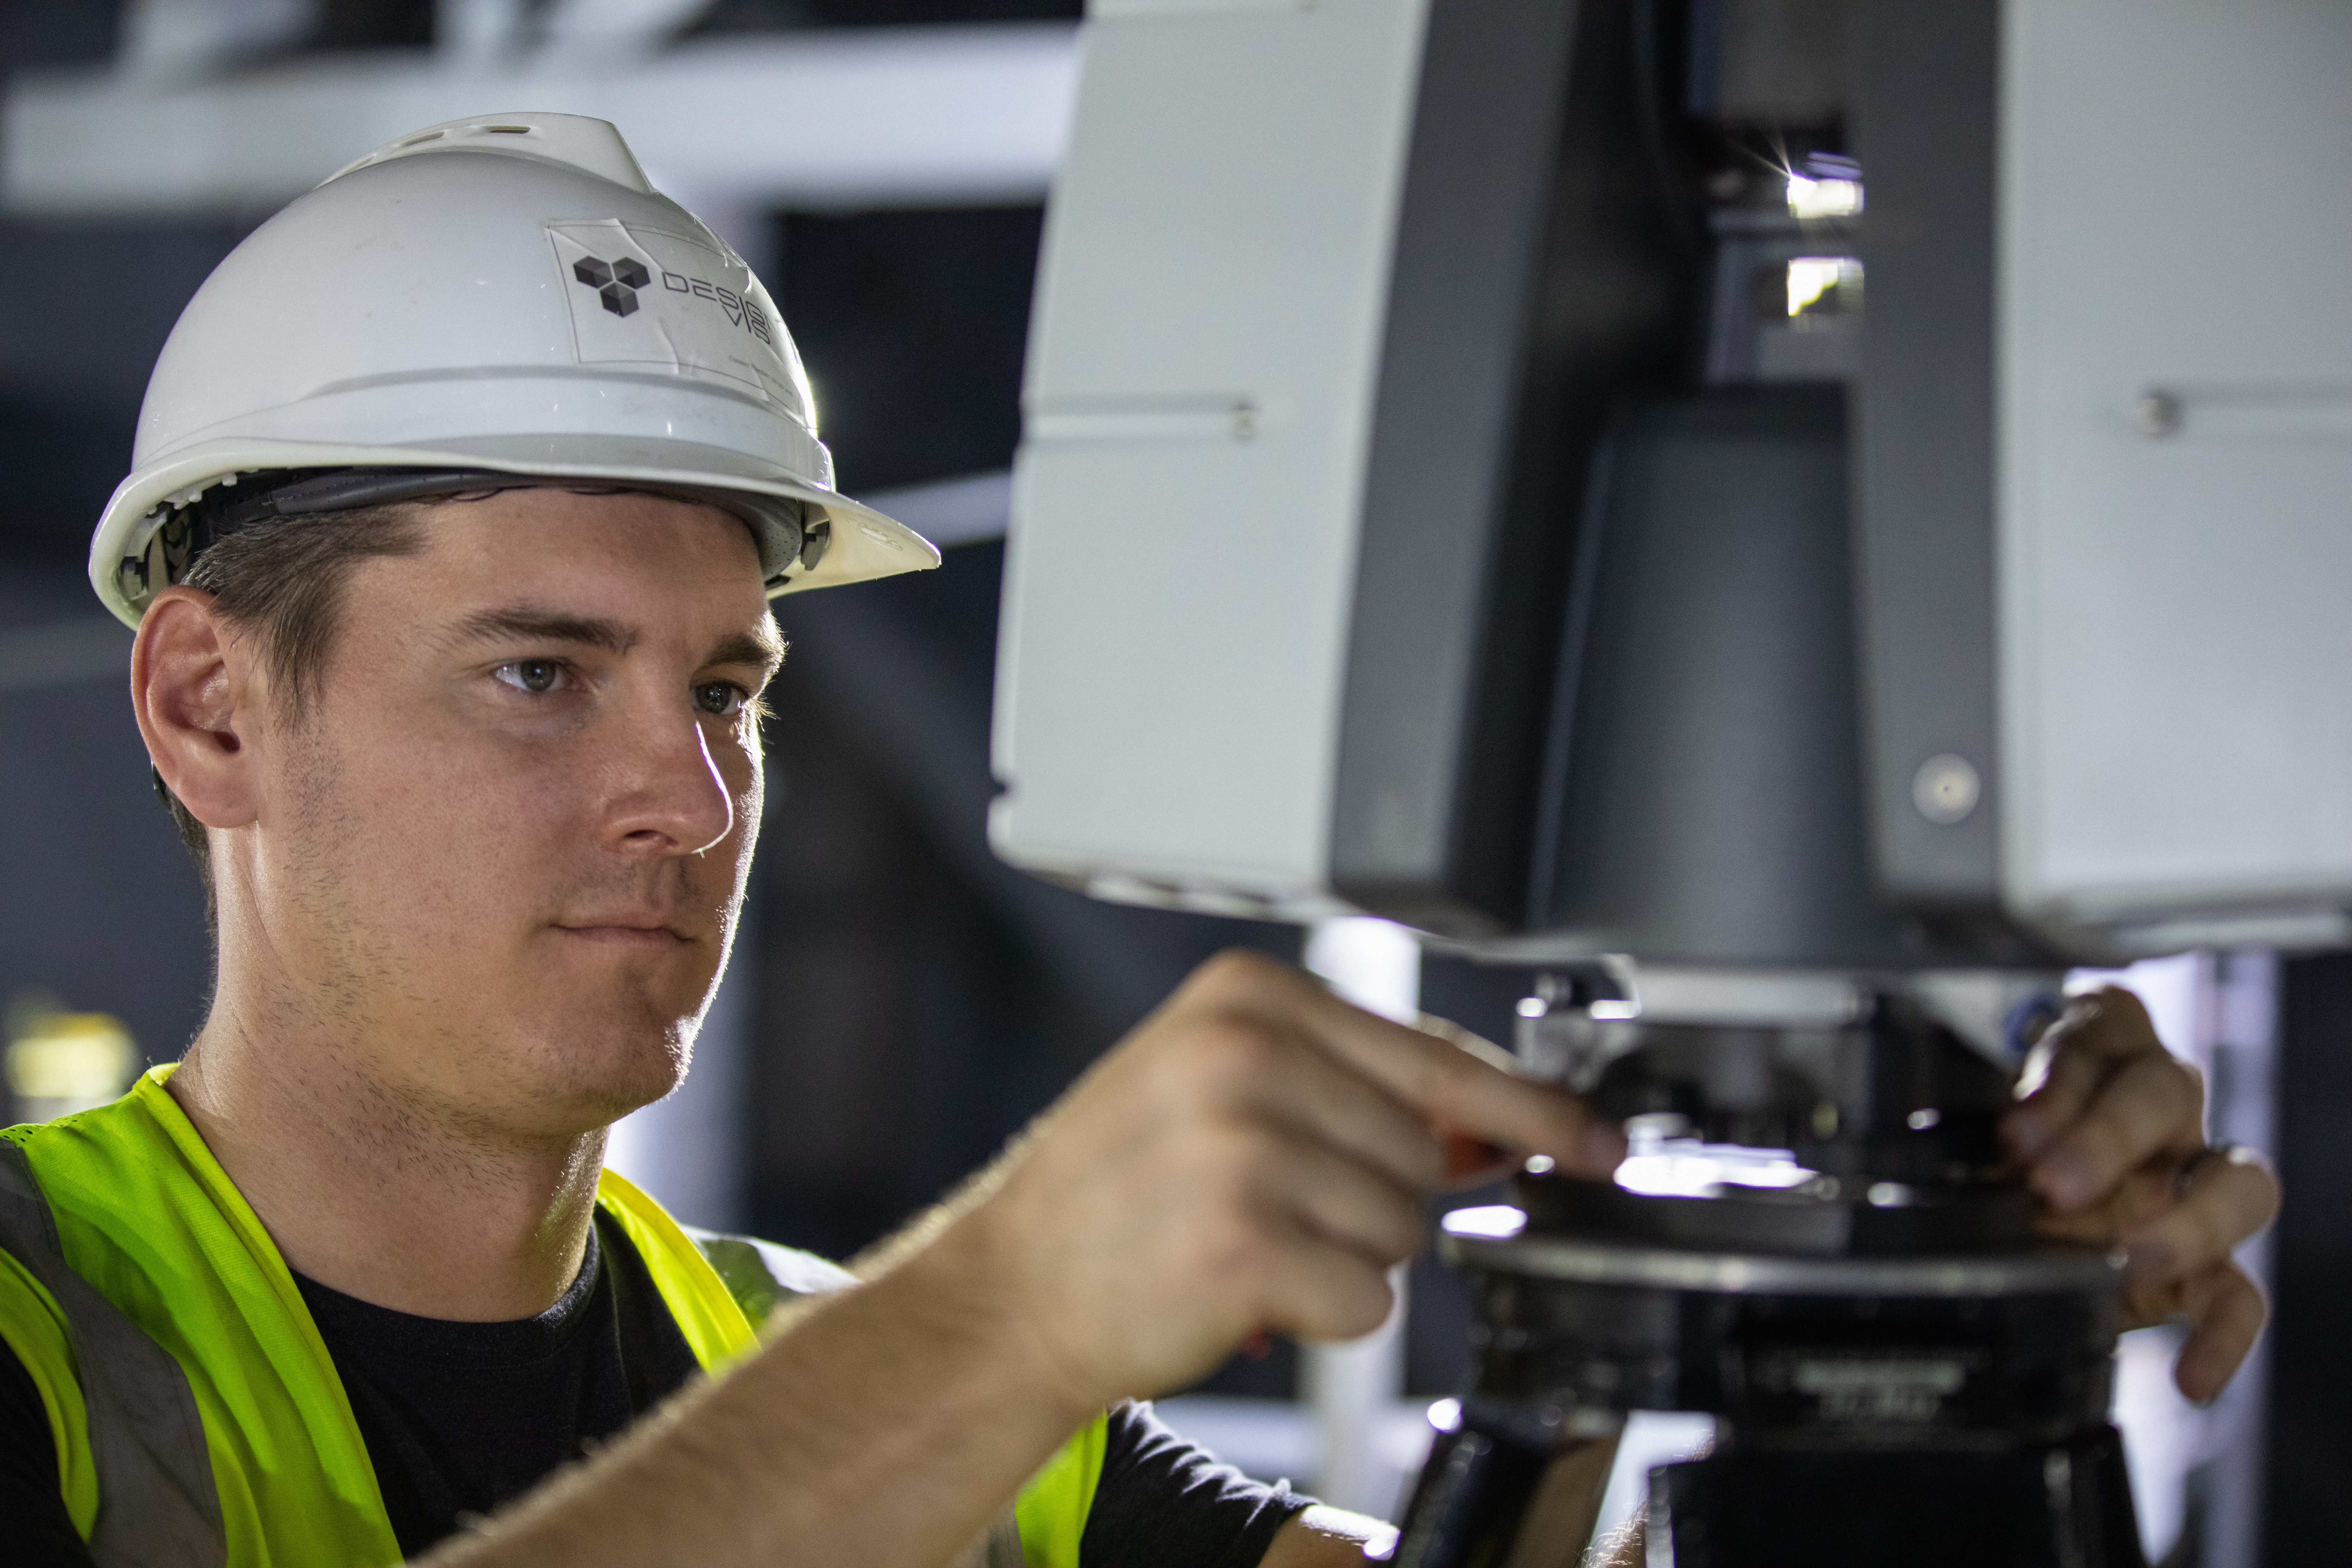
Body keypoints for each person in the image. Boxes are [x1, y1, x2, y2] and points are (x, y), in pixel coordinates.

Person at [0, 115, 2277, 1568]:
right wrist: (1002, 1316)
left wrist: (1894, 1282)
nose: (682, 802)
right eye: (536, 673)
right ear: (211, 706)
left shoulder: (842, 1378)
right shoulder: (38, 1332)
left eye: (728, 691)